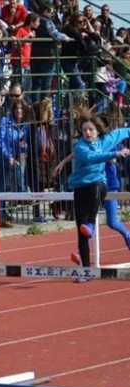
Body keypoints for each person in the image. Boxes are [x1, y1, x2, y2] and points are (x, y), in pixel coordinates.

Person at [63, 111, 130, 281]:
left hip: (98, 186)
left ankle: (92, 225)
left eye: (90, 130)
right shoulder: (81, 147)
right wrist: (115, 154)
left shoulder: (105, 141)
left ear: (97, 131)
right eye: (85, 130)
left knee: (98, 186)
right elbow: (91, 158)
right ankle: (86, 272)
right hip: (80, 188)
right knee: (81, 234)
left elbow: (124, 132)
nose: (87, 133)